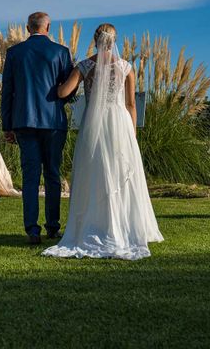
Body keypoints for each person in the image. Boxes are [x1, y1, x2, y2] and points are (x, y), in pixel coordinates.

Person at [42, 24, 163, 260]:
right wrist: (132, 131)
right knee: (119, 173)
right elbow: (130, 105)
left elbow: (63, 92)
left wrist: (53, 83)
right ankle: (125, 225)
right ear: (115, 40)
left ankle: (95, 223)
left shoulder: (85, 66)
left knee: (94, 171)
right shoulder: (126, 67)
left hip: (93, 125)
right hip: (120, 124)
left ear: (95, 40)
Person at [1, 12, 73, 244]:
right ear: (48, 27)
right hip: (53, 122)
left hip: (24, 121)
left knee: (30, 177)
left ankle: (32, 229)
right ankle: (53, 227)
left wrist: (7, 125)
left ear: (27, 27)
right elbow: (68, 90)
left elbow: (7, 91)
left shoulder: (14, 53)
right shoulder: (61, 52)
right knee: (53, 174)